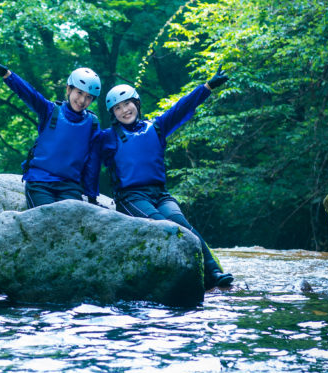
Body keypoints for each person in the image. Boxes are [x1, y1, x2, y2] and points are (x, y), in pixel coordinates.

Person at [99, 66, 234, 289]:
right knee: (165, 224)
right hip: (130, 197)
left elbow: (182, 108)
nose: (124, 110)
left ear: (137, 103)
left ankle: (214, 273)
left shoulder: (157, 127)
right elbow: (84, 154)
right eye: (117, 108)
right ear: (113, 114)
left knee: (183, 225)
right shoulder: (107, 138)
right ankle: (186, 278)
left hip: (160, 194)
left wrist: (207, 87)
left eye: (127, 104)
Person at [0, 53, 102, 208]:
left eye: (89, 97)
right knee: (47, 219)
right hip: (40, 181)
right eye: (79, 93)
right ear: (69, 89)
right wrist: (6, 74)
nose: (83, 100)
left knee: (70, 223)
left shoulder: (92, 123)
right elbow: (30, 95)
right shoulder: (50, 110)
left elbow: (93, 162)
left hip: (70, 186)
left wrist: (91, 197)